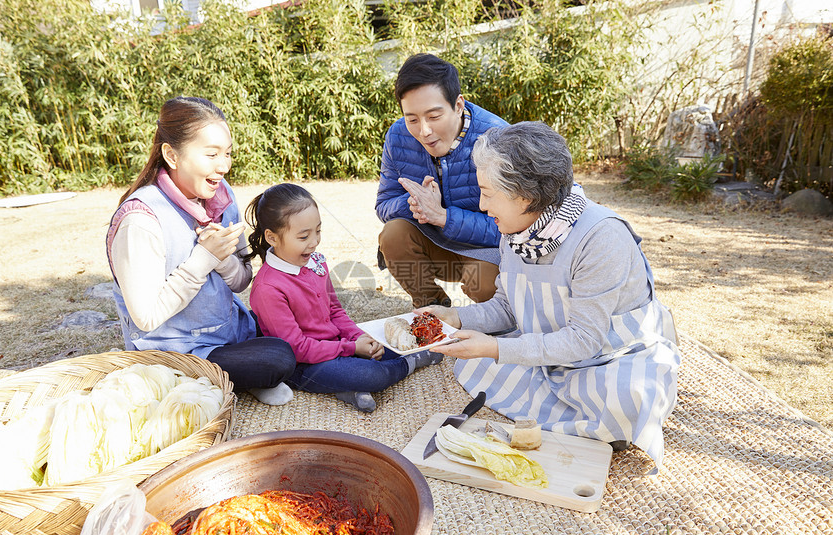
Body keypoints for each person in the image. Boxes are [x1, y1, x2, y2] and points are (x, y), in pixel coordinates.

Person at [425, 122, 680, 471]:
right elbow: (507, 306)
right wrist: (455, 318)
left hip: (608, 358)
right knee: (471, 362)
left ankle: (601, 423)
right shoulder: (516, 229)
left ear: (525, 196)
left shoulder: (601, 238)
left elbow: (585, 339)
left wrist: (496, 348)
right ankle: (580, 419)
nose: (483, 205)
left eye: (488, 192)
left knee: (627, 398)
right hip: (551, 350)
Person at [106, 96, 296, 406]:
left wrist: (223, 260)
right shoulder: (139, 220)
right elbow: (146, 317)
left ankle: (238, 376)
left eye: (228, 154)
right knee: (278, 358)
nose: (223, 166)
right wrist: (203, 259)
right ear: (172, 154)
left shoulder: (222, 195)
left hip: (228, 332)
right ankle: (237, 376)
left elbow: (241, 280)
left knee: (293, 327)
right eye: (211, 154)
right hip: (174, 352)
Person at [245, 184, 443, 413]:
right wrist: (351, 348)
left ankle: (348, 388)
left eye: (318, 231)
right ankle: (409, 363)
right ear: (272, 237)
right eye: (303, 236)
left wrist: (360, 337)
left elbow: (335, 311)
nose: (314, 242)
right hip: (305, 364)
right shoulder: (268, 288)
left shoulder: (315, 261)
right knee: (374, 374)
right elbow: (297, 348)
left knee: (383, 345)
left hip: (336, 345)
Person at [376, 53, 508, 308]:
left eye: (434, 116)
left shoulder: (497, 137)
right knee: (392, 235)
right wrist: (417, 201)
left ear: (458, 105)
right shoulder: (397, 136)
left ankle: (496, 317)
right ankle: (432, 309)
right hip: (434, 243)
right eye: (412, 118)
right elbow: (384, 205)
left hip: (484, 247)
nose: (423, 131)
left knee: (485, 284)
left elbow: (512, 226)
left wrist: (444, 217)